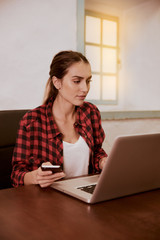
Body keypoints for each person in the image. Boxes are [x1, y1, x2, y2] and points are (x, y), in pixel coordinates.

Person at [11, 50, 108, 188]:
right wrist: (35, 177)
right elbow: (16, 175)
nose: (85, 88)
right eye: (77, 81)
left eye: (88, 81)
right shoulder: (31, 121)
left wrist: (102, 161)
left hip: (86, 194)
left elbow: (97, 151)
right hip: (50, 202)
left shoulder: (91, 112)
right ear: (57, 82)